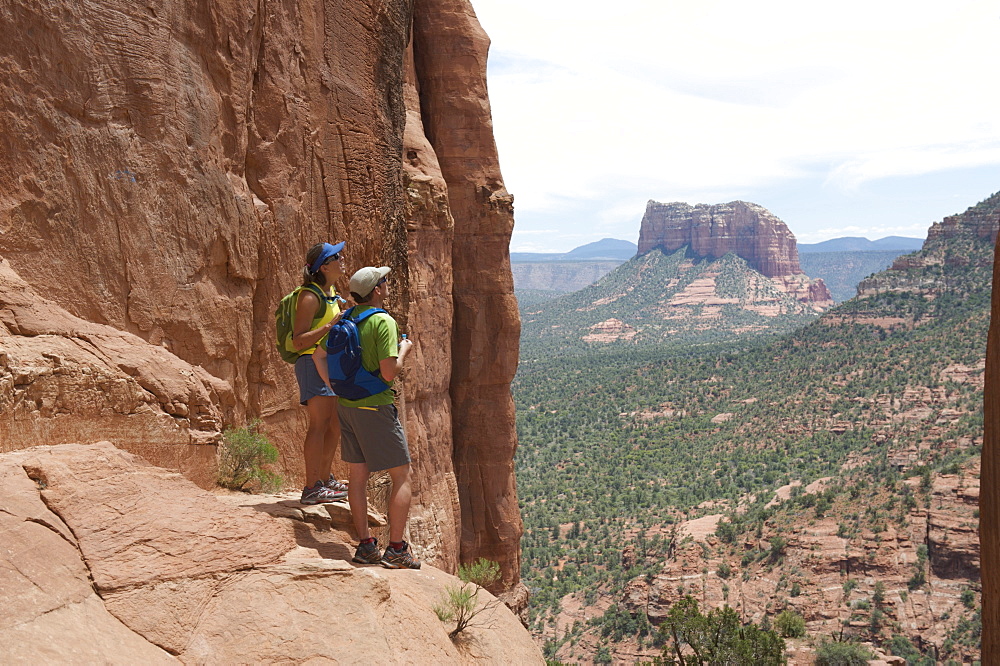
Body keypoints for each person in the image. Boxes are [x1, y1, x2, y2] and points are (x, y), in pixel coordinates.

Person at [313, 266, 420, 569]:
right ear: (377, 290)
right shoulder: (382, 321)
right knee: (401, 475)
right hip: (375, 406)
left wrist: (334, 387)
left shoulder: (345, 318)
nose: (388, 284)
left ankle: (365, 547)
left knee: (357, 476)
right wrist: (404, 350)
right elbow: (389, 372)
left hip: (347, 405)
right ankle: (397, 550)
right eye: (384, 281)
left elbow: (318, 356)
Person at [292, 242, 350, 505]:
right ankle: (311, 486)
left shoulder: (330, 293)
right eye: (336, 256)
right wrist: (330, 325)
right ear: (324, 266)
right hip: (311, 363)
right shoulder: (309, 297)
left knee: (335, 425)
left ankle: (325, 480)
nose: (342, 259)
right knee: (318, 425)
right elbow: (298, 341)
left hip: (329, 364)